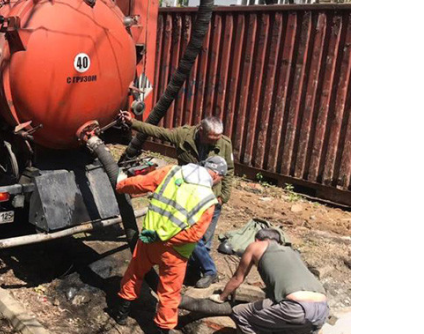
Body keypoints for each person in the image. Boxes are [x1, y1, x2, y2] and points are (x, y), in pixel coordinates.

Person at [110, 157, 228, 333]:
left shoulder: (171, 172)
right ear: (218, 176)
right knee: (170, 293)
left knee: (134, 274)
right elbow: (193, 235)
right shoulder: (208, 200)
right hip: (176, 252)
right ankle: (162, 329)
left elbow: (142, 183)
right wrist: (166, 238)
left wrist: (120, 185)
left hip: (149, 240)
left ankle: (121, 313)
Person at [124, 114, 234, 288]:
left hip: (209, 199)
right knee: (186, 236)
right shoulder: (183, 136)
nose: (215, 143)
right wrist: (133, 122)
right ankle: (196, 271)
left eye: (218, 139)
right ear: (201, 130)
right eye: (212, 139)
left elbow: (229, 170)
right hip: (186, 198)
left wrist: (223, 196)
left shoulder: (224, 143)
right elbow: (157, 132)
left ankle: (208, 273)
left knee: (202, 239)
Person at [217, 229, 329, 334]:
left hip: (295, 308)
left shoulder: (256, 246)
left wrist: (221, 297)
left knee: (239, 313)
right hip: (322, 311)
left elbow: (237, 278)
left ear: (257, 240)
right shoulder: (291, 252)